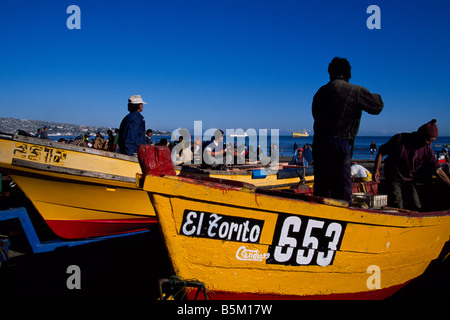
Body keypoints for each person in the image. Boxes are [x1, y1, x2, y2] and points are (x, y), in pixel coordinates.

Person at [312, 57, 384, 202]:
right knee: (342, 188)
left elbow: (315, 114)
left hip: (320, 142)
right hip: (340, 142)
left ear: (330, 72)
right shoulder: (354, 91)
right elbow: (377, 106)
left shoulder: (320, 92)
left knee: (321, 186)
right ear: (348, 74)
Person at [373, 119, 450, 210]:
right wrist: (376, 169)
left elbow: (438, 170)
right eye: (429, 140)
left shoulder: (427, 149)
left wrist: (449, 183)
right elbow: (381, 152)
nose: (430, 143)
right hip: (394, 177)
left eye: (432, 141)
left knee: (416, 205)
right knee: (397, 204)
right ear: (421, 135)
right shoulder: (400, 139)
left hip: (409, 179)